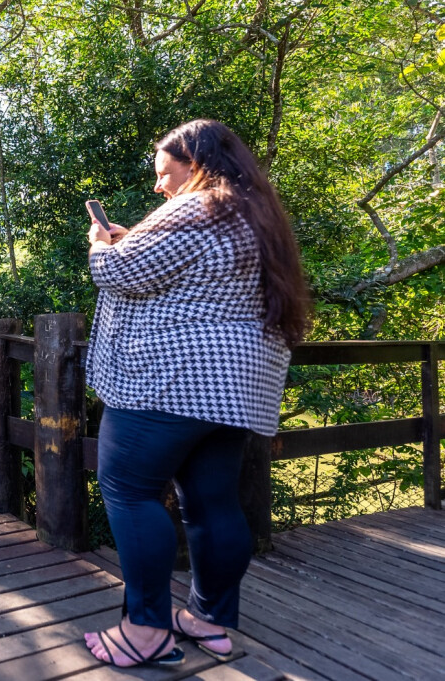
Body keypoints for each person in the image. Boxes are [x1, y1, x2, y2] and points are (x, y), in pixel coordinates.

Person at [82, 119, 310, 668]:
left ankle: (145, 631)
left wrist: (102, 245)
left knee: (129, 491)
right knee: (212, 503)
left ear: (199, 161)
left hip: (168, 381)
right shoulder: (254, 216)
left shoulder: (199, 206)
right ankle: (208, 619)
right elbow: (184, 277)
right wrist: (131, 240)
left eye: (165, 173)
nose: (159, 186)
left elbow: (123, 274)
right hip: (234, 392)